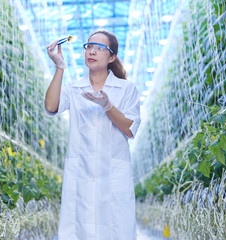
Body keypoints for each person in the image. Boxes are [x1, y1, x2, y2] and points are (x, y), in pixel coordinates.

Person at [44, 30, 141, 240]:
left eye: (100, 48)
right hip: (82, 173)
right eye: (89, 46)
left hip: (113, 176)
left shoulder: (126, 89)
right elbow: (51, 106)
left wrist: (107, 105)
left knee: (115, 230)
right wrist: (60, 67)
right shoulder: (74, 88)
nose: (92, 51)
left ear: (112, 57)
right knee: (80, 229)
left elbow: (130, 129)